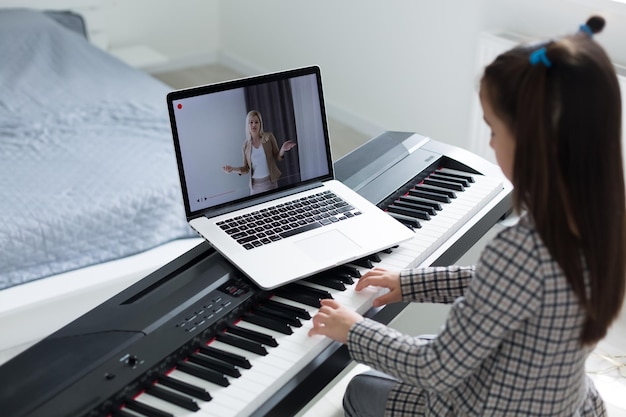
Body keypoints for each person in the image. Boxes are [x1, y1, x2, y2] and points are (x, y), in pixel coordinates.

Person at [308, 16, 625, 417]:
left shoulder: (521, 247)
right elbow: (505, 285)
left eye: (493, 130)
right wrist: (412, 283)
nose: (490, 144)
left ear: (533, 146)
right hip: (564, 399)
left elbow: (436, 368)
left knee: (359, 387)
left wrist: (354, 330)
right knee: (417, 344)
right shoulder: (601, 218)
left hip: (487, 409)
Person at [223, 110, 296, 194]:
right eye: (251, 122)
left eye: (256, 122)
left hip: (270, 183)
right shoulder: (245, 145)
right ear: (247, 124)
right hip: (255, 187)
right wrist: (232, 169)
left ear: (260, 124)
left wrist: (282, 149)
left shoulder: (269, 137)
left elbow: (277, 157)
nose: (254, 125)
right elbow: (246, 168)